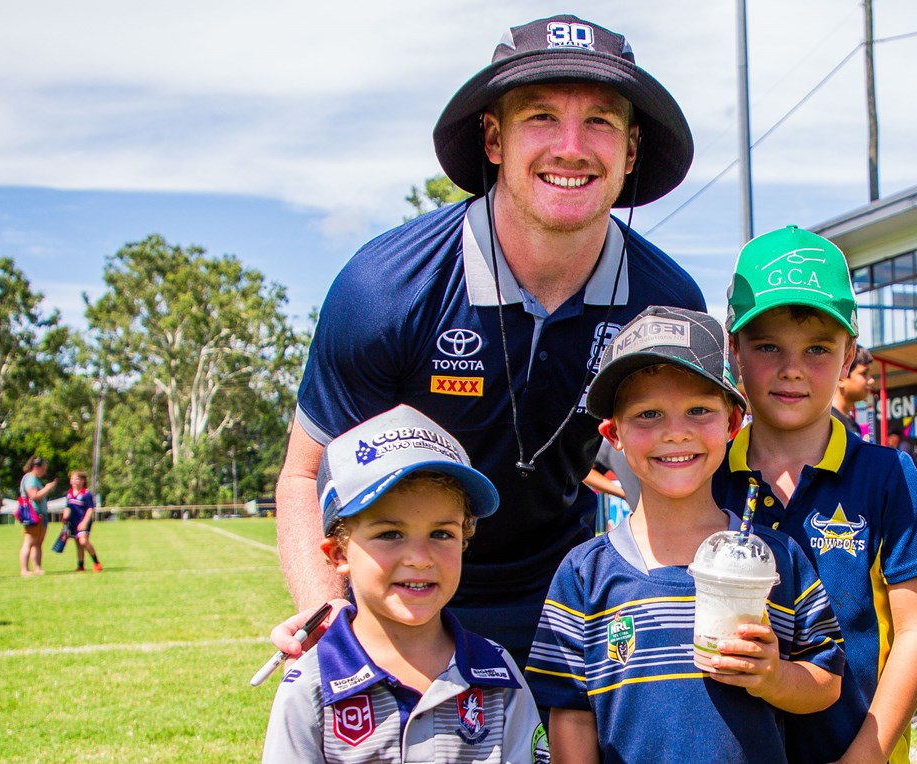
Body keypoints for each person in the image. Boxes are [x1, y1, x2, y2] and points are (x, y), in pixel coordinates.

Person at [272, 13, 704, 665]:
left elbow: (685, 466)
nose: (570, 147)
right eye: (539, 118)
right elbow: (306, 473)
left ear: (631, 151)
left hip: (570, 600)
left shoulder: (666, 304)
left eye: (599, 122)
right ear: (494, 139)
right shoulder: (385, 287)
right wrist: (324, 606)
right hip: (405, 598)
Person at [526, 306, 844, 763]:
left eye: (698, 410)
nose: (675, 433)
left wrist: (774, 677)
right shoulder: (583, 574)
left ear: (733, 424)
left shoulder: (773, 558)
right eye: (648, 414)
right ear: (613, 434)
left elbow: (826, 681)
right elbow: (571, 713)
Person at [715, 226, 917, 764]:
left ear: (849, 358)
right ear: (733, 352)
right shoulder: (709, 475)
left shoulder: (887, 474)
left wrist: (865, 755)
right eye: (767, 345)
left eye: (818, 348)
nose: (792, 368)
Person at [262, 405, 545, 762]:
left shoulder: (497, 672)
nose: (420, 557)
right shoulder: (311, 686)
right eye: (390, 533)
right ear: (338, 554)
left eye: (441, 533)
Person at [18, 457, 58, 577]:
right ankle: (24, 570)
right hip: (33, 515)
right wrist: (47, 488)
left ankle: (37, 568)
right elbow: (34, 496)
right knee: (28, 542)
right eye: (43, 469)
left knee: (37, 543)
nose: (44, 472)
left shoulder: (34, 479)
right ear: (36, 467)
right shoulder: (30, 479)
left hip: (41, 515)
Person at [832, 346, 873, 438]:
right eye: (864, 373)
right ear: (841, 376)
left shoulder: (853, 424)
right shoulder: (827, 423)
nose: (871, 380)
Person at [64, 471, 101, 572]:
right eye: (73, 479)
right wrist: (65, 518)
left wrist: (84, 522)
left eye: (77, 479)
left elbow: (90, 510)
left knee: (83, 541)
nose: (75, 481)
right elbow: (67, 507)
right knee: (78, 543)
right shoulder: (69, 493)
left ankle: (97, 563)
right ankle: (81, 565)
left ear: (83, 481)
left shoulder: (86, 494)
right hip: (74, 522)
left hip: (84, 521)